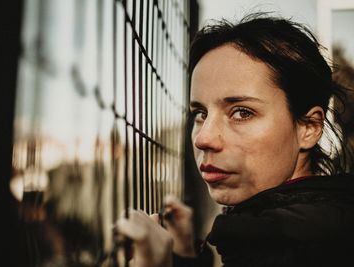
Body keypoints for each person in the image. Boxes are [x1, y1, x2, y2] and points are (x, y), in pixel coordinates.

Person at [115, 13, 354, 267]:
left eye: (242, 112)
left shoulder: (310, 249)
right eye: (200, 113)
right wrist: (184, 255)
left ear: (309, 127)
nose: (203, 139)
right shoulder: (305, 228)